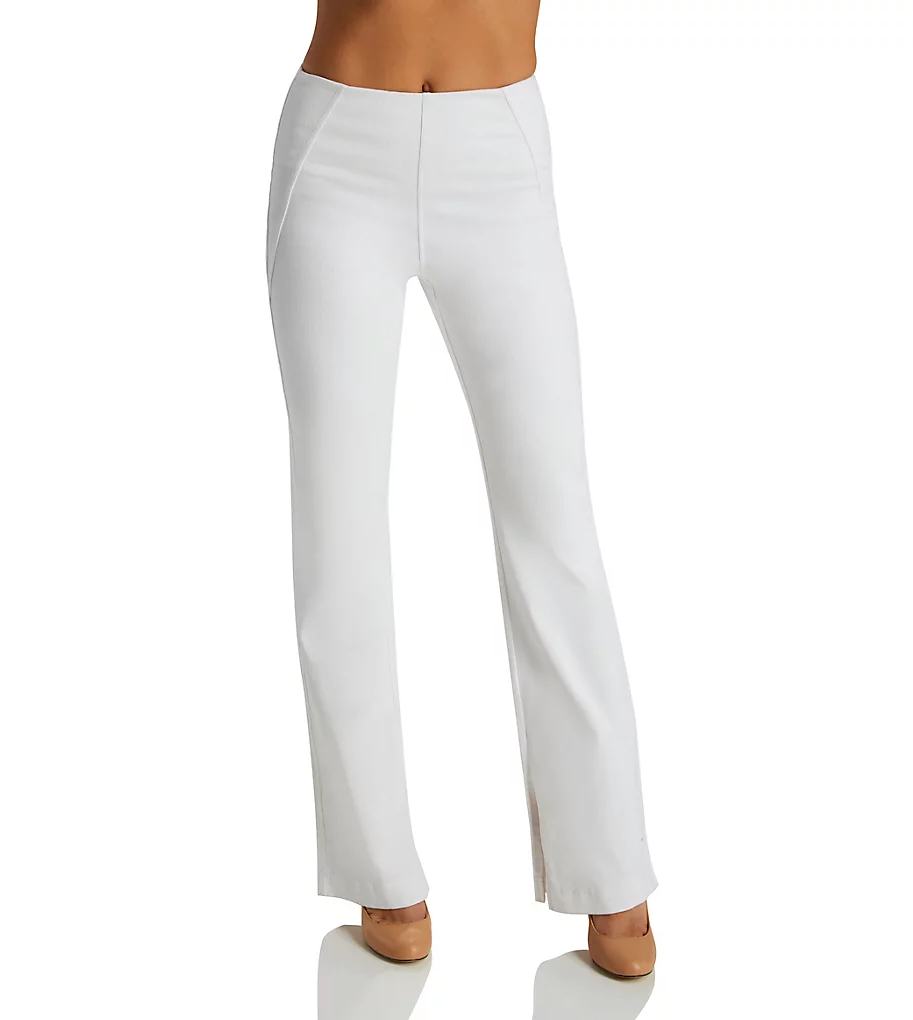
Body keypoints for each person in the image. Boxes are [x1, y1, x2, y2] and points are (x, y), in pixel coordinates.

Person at [266, 0, 658, 978]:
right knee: (338, 522)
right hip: (340, 140)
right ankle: (379, 868)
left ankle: (609, 867)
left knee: (553, 515)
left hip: (497, 147)